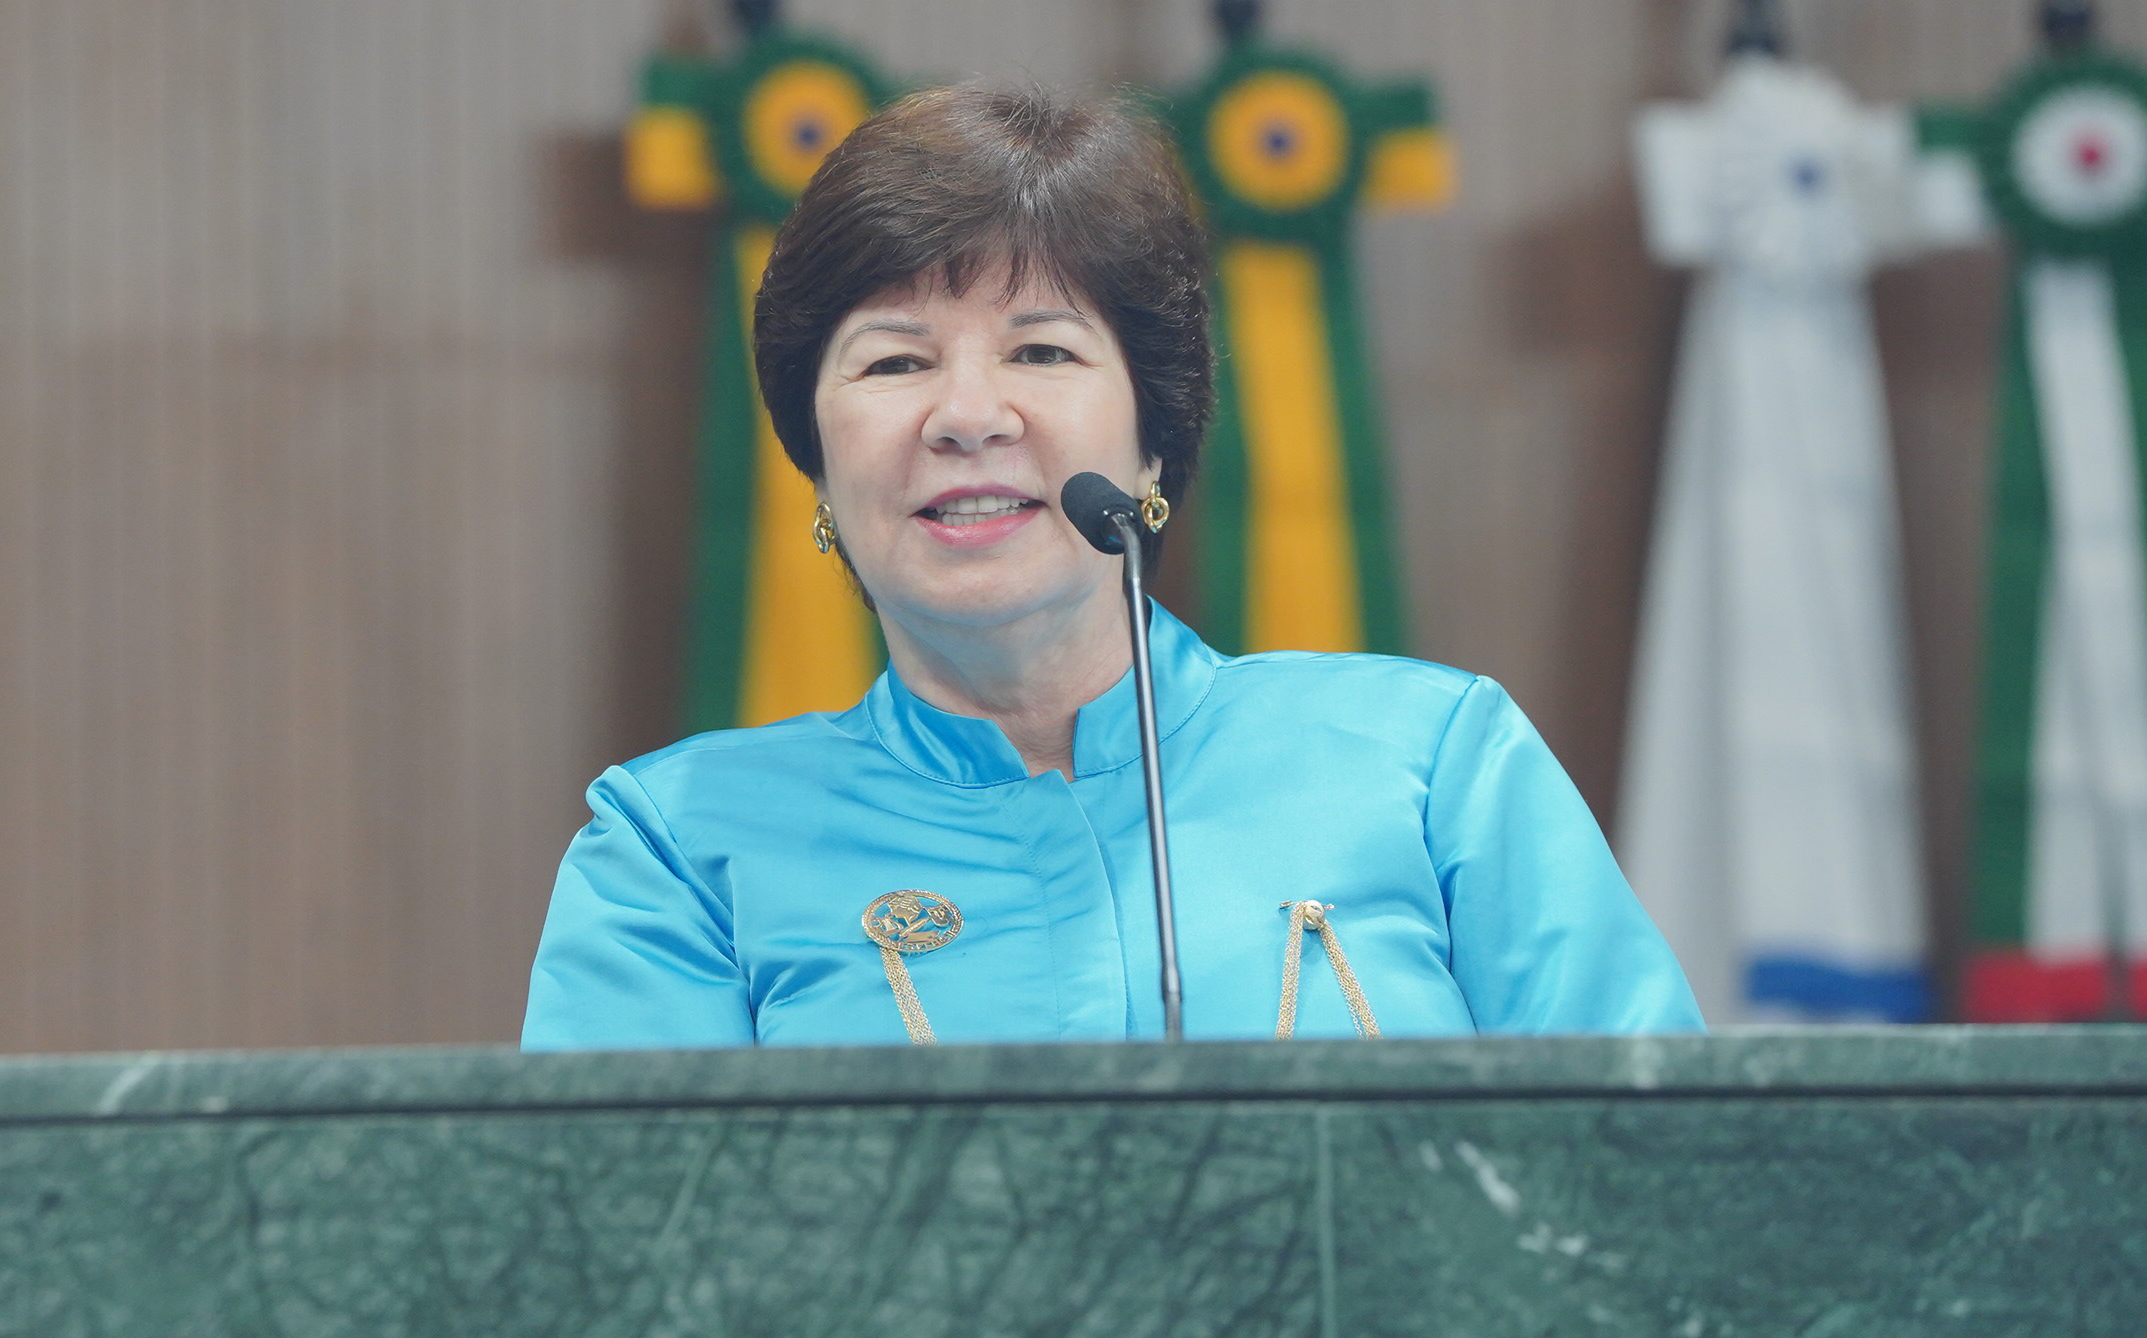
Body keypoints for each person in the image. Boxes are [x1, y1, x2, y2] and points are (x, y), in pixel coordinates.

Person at [522, 84, 1703, 1049]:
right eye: (893, 362)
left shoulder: (1433, 762)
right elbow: (617, 1243)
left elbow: (1656, 1178)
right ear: (819, 468)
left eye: (1040, 350)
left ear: (1152, 442)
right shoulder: (679, 847)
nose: (967, 415)